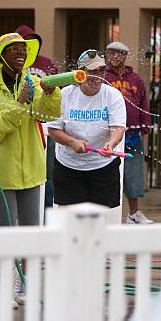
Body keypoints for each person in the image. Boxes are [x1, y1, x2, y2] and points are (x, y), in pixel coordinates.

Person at [0, 32, 61, 307]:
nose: (20, 54)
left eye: (23, 50)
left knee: (30, 230)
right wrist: (20, 104)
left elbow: (47, 116)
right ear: (2, 55)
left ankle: (25, 284)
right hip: (2, 169)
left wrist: (50, 94)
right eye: (14, 50)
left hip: (32, 168)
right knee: (6, 229)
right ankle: (0, 288)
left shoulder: (32, 81)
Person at [47, 49, 126, 208]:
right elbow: (53, 130)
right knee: (68, 218)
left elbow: (118, 127)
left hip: (102, 167)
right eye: (92, 71)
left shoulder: (112, 95)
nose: (97, 75)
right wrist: (72, 142)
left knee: (98, 220)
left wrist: (111, 144)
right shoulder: (65, 94)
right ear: (80, 73)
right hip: (68, 166)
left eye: (101, 70)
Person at [104, 41, 153, 224]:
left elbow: (143, 104)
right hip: (109, 134)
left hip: (132, 135)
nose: (116, 57)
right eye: (112, 53)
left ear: (125, 56)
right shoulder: (103, 77)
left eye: (120, 54)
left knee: (134, 175)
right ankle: (109, 214)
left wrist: (144, 125)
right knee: (109, 174)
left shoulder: (135, 79)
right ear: (107, 55)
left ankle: (134, 214)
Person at [15, 25, 60, 210]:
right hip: (19, 123)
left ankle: (46, 212)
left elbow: (57, 91)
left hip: (44, 126)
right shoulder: (13, 66)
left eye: (32, 42)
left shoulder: (47, 63)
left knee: (47, 172)